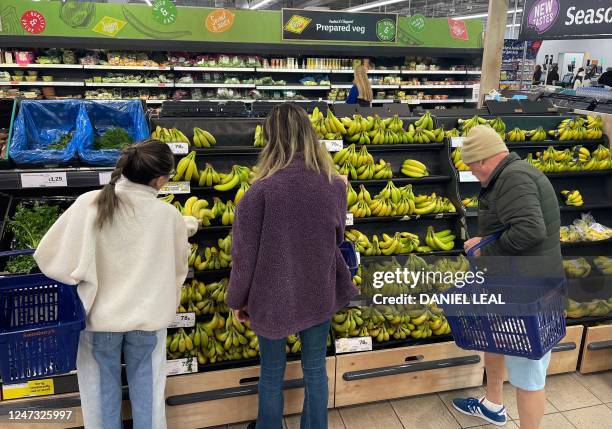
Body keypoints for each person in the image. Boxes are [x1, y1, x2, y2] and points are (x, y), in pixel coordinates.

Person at [34, 141, 198, 429]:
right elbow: (178, 269)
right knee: (149, 396)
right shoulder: (168, 216)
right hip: (148, 322)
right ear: (160, 180)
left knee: (99, 397)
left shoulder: (90, 203)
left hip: (99, 320)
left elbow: (47, 256)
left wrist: (80, 278)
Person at [227, 103, 358, 429]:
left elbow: (244, 257)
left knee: (272, 369)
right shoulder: (334, 185)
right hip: (318, 288)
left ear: (270, 140)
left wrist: (237, 301)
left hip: (271, 295)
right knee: (315, 367)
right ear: (310, 135)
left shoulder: (258, 192)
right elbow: (337, 233)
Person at [452, 126, 563, 429]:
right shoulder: (513, 174)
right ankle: (492, 405)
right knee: (496, 340)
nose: (472, 174)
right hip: (517, 282)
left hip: (529, 290)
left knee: (528, 372)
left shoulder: (513, 179)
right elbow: (520, 224)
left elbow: (530, 230)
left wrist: (486, 250)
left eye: (472, 167)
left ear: (483, 160)